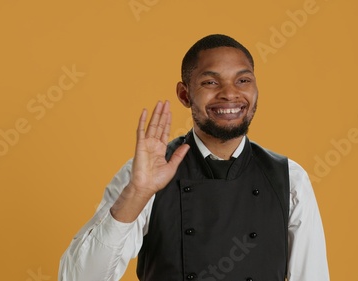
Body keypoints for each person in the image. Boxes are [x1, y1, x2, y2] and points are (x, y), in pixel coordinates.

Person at [58, 34, 330, 281]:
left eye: (243, 80)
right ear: (184, 94)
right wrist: (138, 193)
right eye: (211, 82)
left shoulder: (289, 179)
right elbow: (78, 278)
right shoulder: (144, 175)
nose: (230, 93)